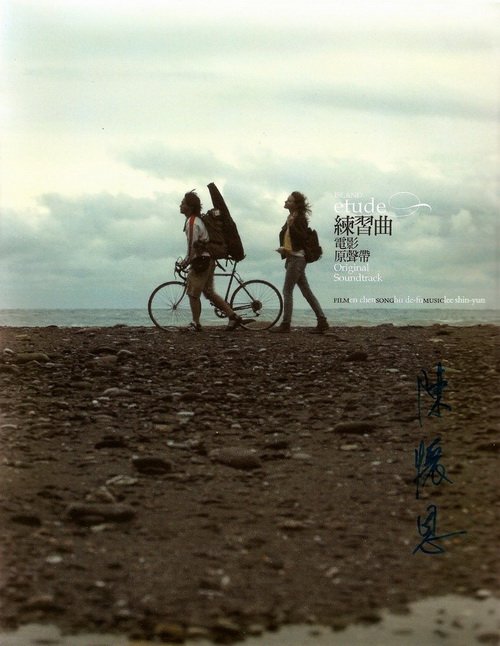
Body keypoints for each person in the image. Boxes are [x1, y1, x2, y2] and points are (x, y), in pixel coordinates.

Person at [179, 190, 242, 332]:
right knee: (209, 293)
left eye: (183, 203)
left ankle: (195, 323)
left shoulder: (192, 222)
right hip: (209, 259)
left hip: (201, 261)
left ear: (190, 207)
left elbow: (193, 245)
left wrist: (186, 261)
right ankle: (233, 317)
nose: (180, 205)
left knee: (192, 293)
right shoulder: (197, 220)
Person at [272, 191, 329, 334]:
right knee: (306, 291)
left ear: (296, 205)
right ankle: (322, 321)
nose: (285, 202)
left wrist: (291, 226)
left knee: (287, 291)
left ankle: (286, 324)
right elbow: (290, 239)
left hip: (297, 259)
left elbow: (302, 238)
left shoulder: (299, 219)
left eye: (289, 201)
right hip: (293, 257)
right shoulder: (291, 217)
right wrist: (285, 249)